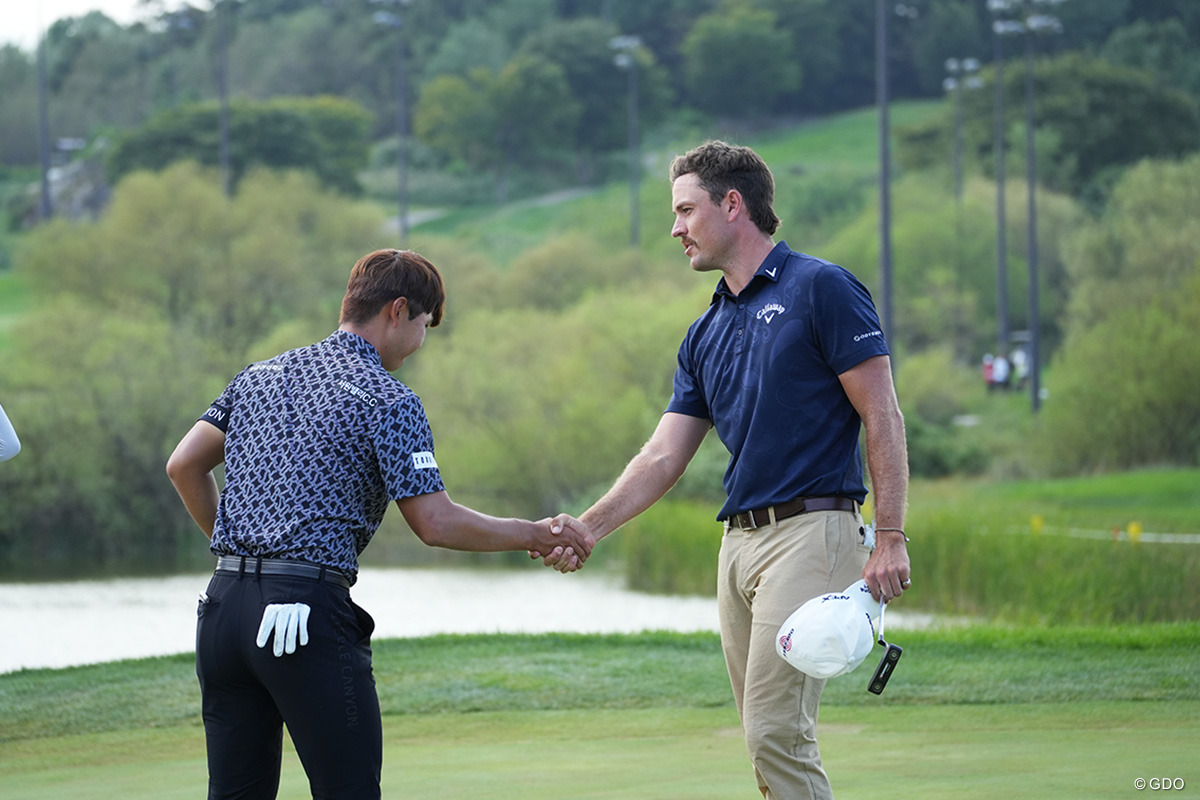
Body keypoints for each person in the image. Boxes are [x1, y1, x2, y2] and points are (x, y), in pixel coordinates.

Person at [538, 141, 911, 800]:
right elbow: (661, 456)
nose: (675, 228)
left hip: (812, 534)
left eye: (685, 210)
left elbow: (881, 414)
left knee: (775, 733)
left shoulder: (821, 288)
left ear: (731, 204)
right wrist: (590, 527)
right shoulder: (705, 331)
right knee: (762, 736)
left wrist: (890, 535)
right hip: (737, 546)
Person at [166, 248, 593, 800]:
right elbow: (435, 522)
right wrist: (535, 534)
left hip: (223, 610)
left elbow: (183, 465)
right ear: (397, 311)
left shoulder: (258, 376)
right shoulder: (388, 399)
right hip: (302, 616)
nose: (421, 340)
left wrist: (243, 558)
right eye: (424, 324)